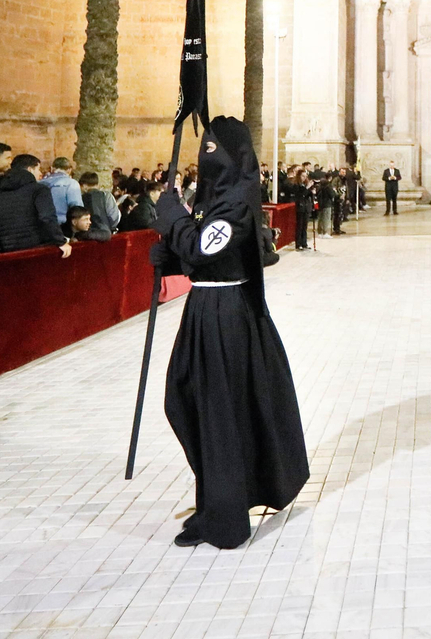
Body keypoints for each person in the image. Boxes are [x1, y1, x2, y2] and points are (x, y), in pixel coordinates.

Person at [150, 116, 309, 549]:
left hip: (226, 316)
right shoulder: (211, 199)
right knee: (187, 403)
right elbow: (198, 254)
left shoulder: (238, 202)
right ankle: (213, 502)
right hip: (203, 310)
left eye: (214, 149)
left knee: (219, 414)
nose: (207, 157)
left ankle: (225, 518)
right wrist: (169, 256)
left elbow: (206, 246)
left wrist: (173, 222)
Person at [0, 154, 72, 257]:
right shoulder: (39, 190)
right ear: (30, 169)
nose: (40, 173)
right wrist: (60, 241)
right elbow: (47, 217)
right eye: (38, 169)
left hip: (9, 252)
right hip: (37, 250)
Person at [41, 157, 85, 224]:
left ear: (52, 168)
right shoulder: (71, 183)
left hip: (41, 224)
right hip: (63, 224)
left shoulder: (40, 183)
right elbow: (77, 207)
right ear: (69, 170)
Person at [80, 172, 121, 240]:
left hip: (88, 236)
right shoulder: (106, 195)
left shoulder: (81, 198)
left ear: (84, 185)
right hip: (106, 235)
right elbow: (114, 216)